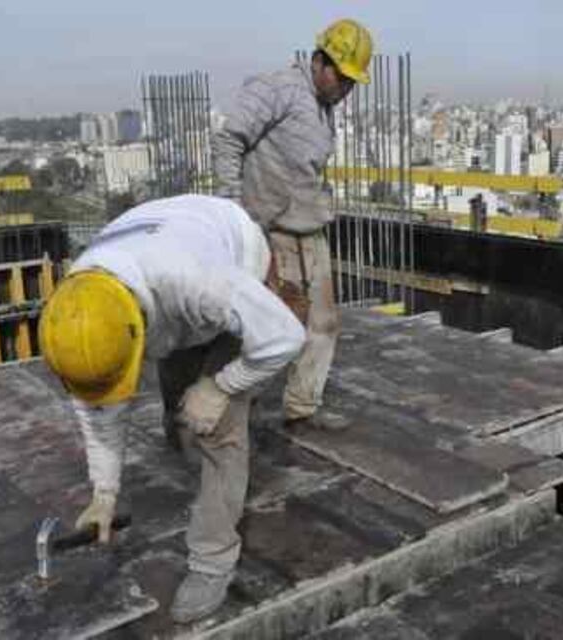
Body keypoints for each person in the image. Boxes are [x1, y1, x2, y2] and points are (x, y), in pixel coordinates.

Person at [38, 194, 305, 623]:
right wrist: (104, 494)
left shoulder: (201, 282)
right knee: (182, 412)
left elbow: (285, 337)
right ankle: (198, 446)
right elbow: (99, 412)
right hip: (168, 263)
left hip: (230, 245)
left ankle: (213, 560)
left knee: (215, 426)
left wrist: (221, 387)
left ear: (140, 325)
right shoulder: (78, 311)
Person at [213, 19, 373, 429]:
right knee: (268, 330)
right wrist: (234, 213)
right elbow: (229, 139)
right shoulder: (278, 89)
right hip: (270, 233)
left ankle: (302, 407)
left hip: (308, 230)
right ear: (319, 61)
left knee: (323, 324)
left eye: (351, 82)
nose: (346, 88)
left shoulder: (324, 107)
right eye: (341, 77)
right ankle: (226, 407)